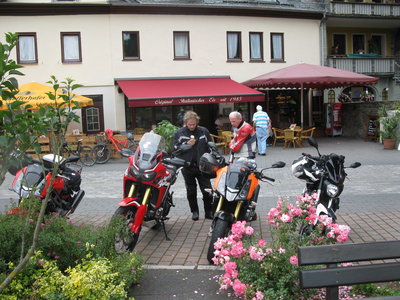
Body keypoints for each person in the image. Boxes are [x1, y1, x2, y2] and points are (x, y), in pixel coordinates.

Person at [173, 111, 213, 221]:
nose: (191, 126)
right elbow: (175, 149)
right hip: (187, 166)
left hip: (203, 166)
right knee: (191, 191)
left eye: (193, 124)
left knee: (207, 190)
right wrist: (186, 145)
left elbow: (210, 145)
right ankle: (194, 211)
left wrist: (213, 156)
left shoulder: (203, 131)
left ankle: (209, 211)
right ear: (185, 123)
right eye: (189, 124)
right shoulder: (180, 133)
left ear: (197, 122)